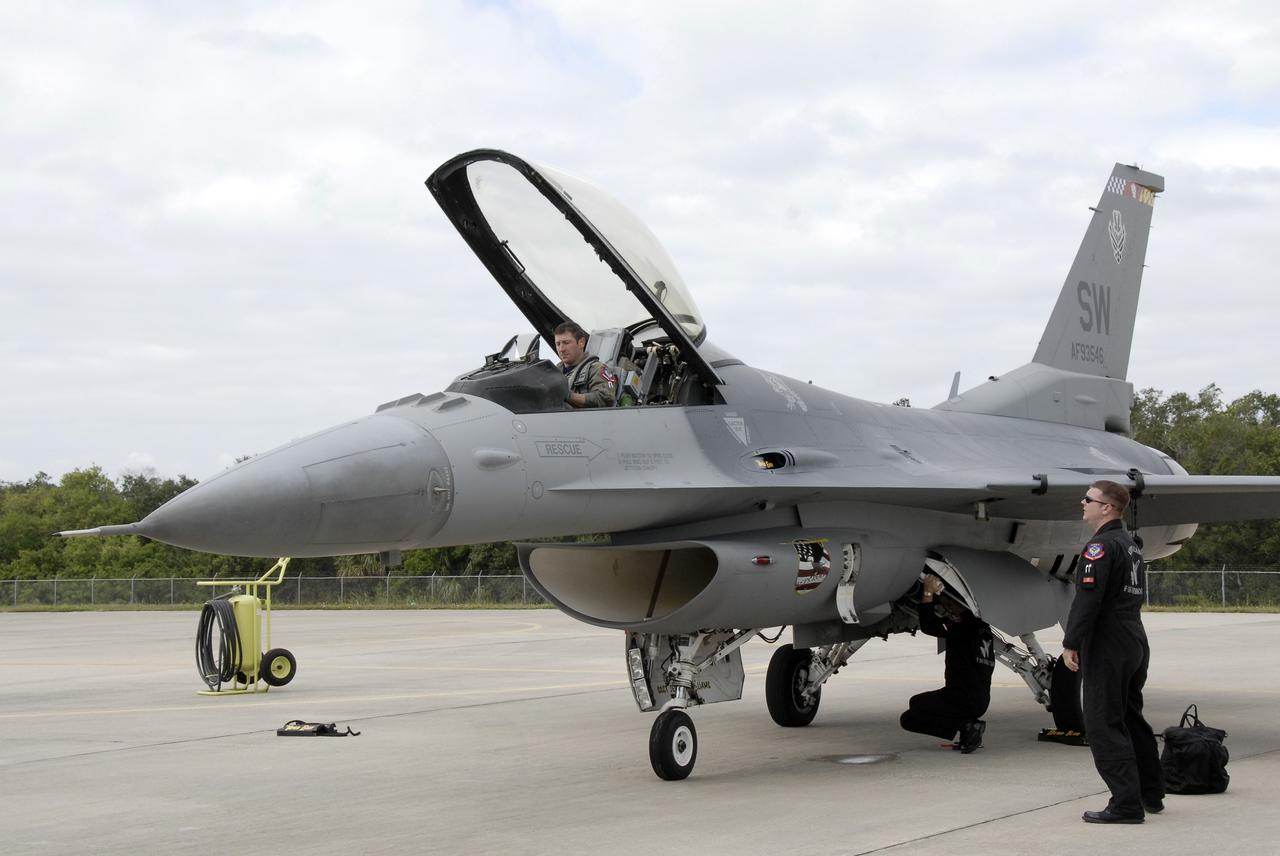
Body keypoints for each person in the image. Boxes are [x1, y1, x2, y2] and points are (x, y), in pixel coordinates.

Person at [1062, 479, 1164, 824]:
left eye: (1088, 499)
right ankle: (1151, 792)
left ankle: (1125, 804)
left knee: (1104, 723)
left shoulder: (1100, 547)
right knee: (1130, 717)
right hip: (1133, 638)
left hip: (1108, 644)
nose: (1082, 503)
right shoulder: (1130, 545)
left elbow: (1088, 600)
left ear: (1107, 507)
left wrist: (1071, 642)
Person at [900, 573, 995, 754]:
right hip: (980, 699)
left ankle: (966, 726)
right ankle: (967, 730)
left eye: (950, 603)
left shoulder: (961, 626)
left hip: (961, 697)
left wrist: (927, 592)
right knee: (918, 702)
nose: (947, 606)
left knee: (909, 716)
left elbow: (929, 625)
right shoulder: (982, 627)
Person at [554, 322, 616, 409]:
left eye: (566, 343)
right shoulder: (552, 373)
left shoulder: (596, 369)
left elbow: (605, 398)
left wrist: (568, 395)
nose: (561, 349)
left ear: (581, 342)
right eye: (558, 344)